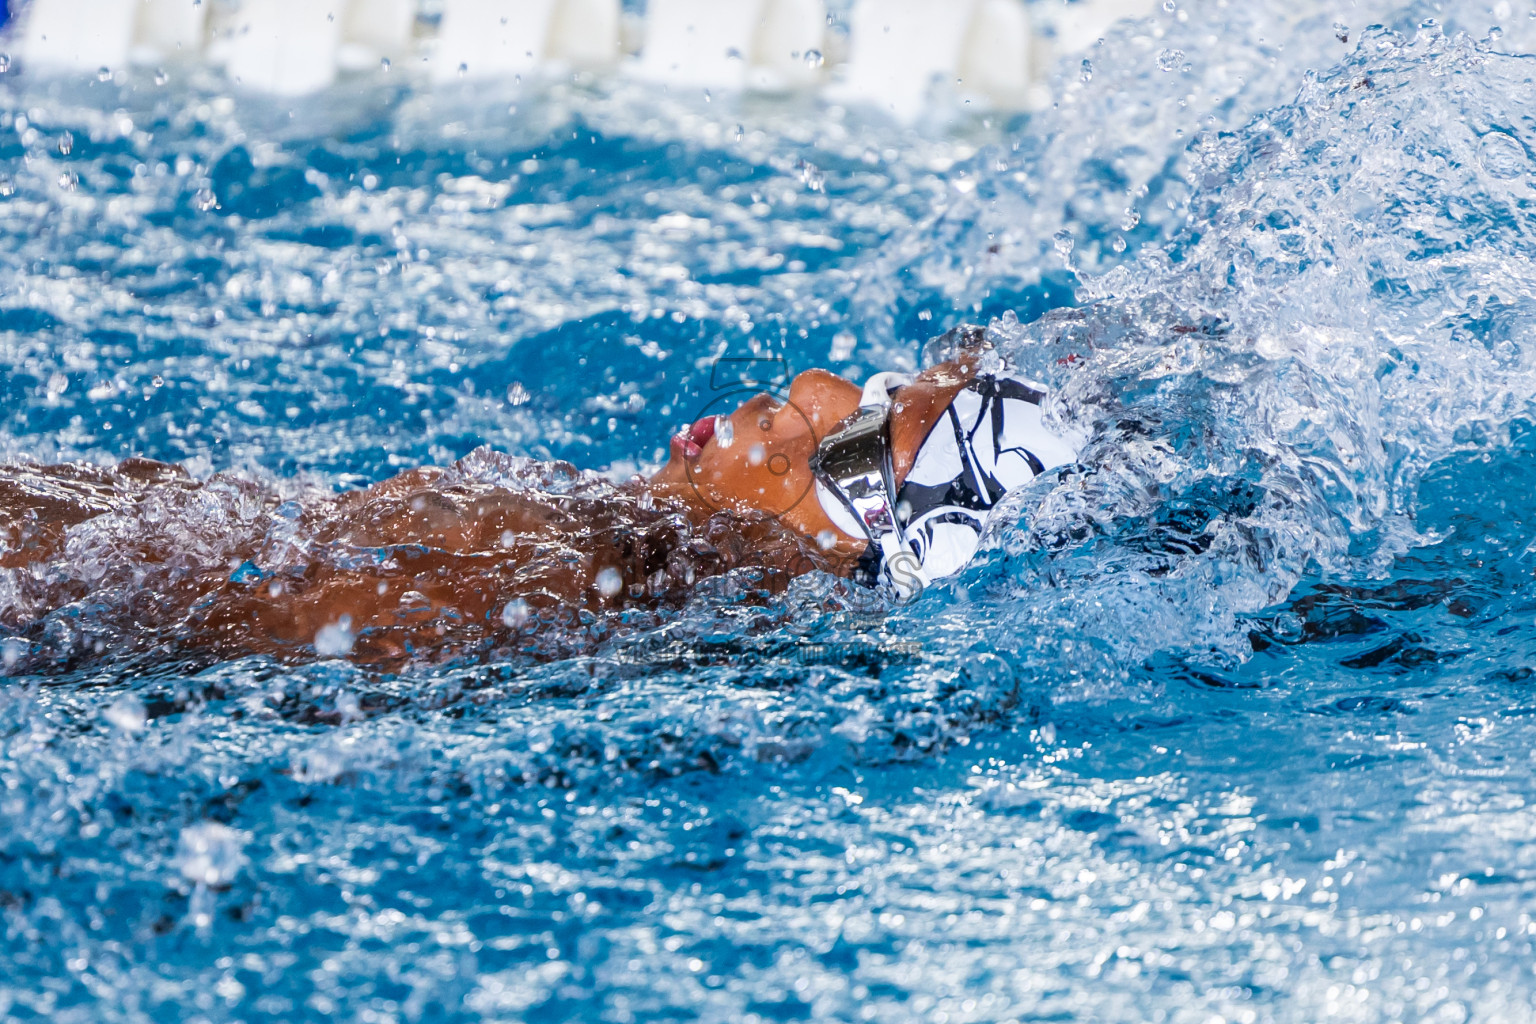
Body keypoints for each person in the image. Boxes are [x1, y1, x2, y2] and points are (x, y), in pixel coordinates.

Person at [0, 328, 1079, 668]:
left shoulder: (555, 582)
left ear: (858, 532)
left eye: (856, 427)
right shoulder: (593, 548)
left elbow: (178, 620)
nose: (810, 389)